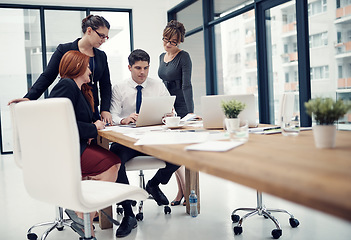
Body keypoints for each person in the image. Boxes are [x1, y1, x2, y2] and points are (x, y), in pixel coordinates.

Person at [49, 50, 121, 237]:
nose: (90, 70)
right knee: (111, 166)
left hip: (77, 144)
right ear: (78, 67)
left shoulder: (80, 90)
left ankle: (83, 218)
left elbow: (74, 118)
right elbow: (59, 121)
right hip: (67, 150)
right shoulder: (65, 86)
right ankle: (83, 216)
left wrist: (92, 127)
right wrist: (92, 128)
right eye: (88, 66)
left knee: (113, 161)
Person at [109, 49, 180, 238]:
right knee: (114, 160)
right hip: (128, 140)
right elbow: (113, 114)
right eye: (138, 68)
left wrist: (168, 115)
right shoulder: (119, 88)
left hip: (154, 137)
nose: (143, 72)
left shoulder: (158, 86)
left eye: (146, 68)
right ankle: (128, 214)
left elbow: (170, 110)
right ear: (129, 67)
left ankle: (154, 184)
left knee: (181, 154)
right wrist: (124, 120)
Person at [8, 15, 113, 124]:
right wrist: (29, 97)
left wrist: (105, 109)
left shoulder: (101, 56)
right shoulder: (65, 50)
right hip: (70, 104)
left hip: (90, 107)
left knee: (93, 135)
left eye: (106, 37)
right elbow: (48, 76)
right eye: (101, 36)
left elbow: (105, 85)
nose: (103, 40)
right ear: (89, 30)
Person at [158, 20, 194, 206]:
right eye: (165, 39)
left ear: (179, 41)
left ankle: (187, 191)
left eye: (172, 41)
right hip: (168, 108)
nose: (167, 44)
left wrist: (190, 112)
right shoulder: (160, 57)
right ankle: (182, 191)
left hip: (181, 106)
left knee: (181, 153)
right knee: (173, 153)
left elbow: (186, 85)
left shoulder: (183, 57)